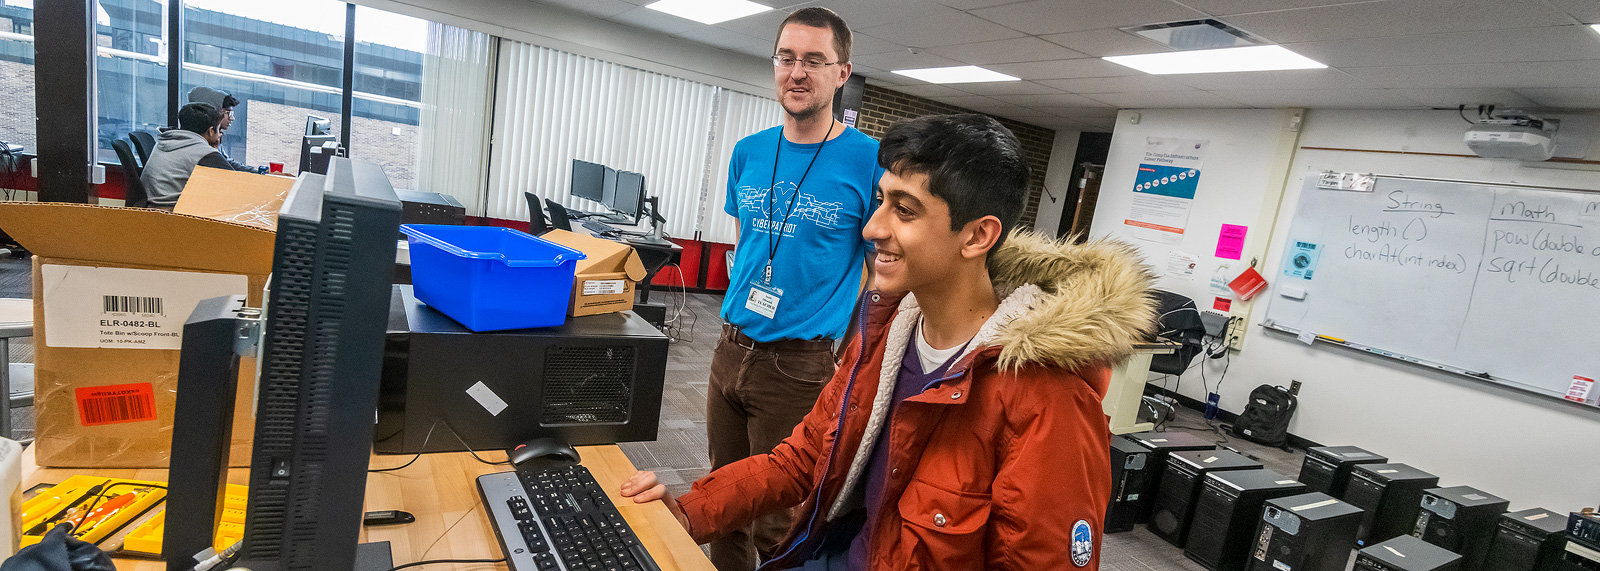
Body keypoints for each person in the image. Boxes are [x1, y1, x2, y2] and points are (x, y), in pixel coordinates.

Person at [622, 114, 1158, 570]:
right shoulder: (886, 333)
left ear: (978, 236)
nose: (872, 227)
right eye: (881, 201)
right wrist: (691, 511)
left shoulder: (1046, 399)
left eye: (905, 210)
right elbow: (803, 458)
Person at [704, 7, 881, 569]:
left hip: (800, 364)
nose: (796, 72)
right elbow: (750, 245)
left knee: (778, 517)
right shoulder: (748, 152)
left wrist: (853, 354)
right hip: (730, 348)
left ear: (842, 72)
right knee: (721, 499)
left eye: (813, 60)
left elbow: (880, 272)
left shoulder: (872, 161)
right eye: (786, 58)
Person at [140, 102, 238, 208]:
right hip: (173, 215)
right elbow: (234, 188)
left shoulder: (165, 139)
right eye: (218, 130)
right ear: (211, 131)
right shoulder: (206, 154)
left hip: (151, 209)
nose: (219, 134)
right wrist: (214, 150)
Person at [187, 86, 256, 172]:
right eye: (228, 113)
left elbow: (227, 162)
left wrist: (259, 172)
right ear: (214, 112)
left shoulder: (214, 137)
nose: (232, 118)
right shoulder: (201, 144)